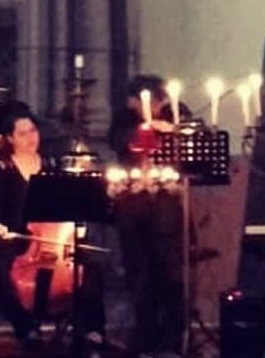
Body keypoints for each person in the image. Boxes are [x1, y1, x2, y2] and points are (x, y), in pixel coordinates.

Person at [0, 104, 106, 353]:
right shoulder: (1, 169)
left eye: (33, 131)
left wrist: (74, 228)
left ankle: (92, 329)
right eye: (22, 133)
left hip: (53, 240)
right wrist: (0, 227)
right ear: (10, 138)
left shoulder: (50, 165)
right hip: (17, 241)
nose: (30, 138)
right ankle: (24, 326)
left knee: (92, 265)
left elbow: (67, 206)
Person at [107, 75, 186, 357]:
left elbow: (188, 141)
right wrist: (146, 127)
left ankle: (173, 337)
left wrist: (172, 128)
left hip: (167, 211)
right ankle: (144, 335)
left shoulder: (176, 111)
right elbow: (119, 141)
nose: (135, 106)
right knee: (139, 274)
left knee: (169, 274)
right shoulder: (124, 119)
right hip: (133, 209)